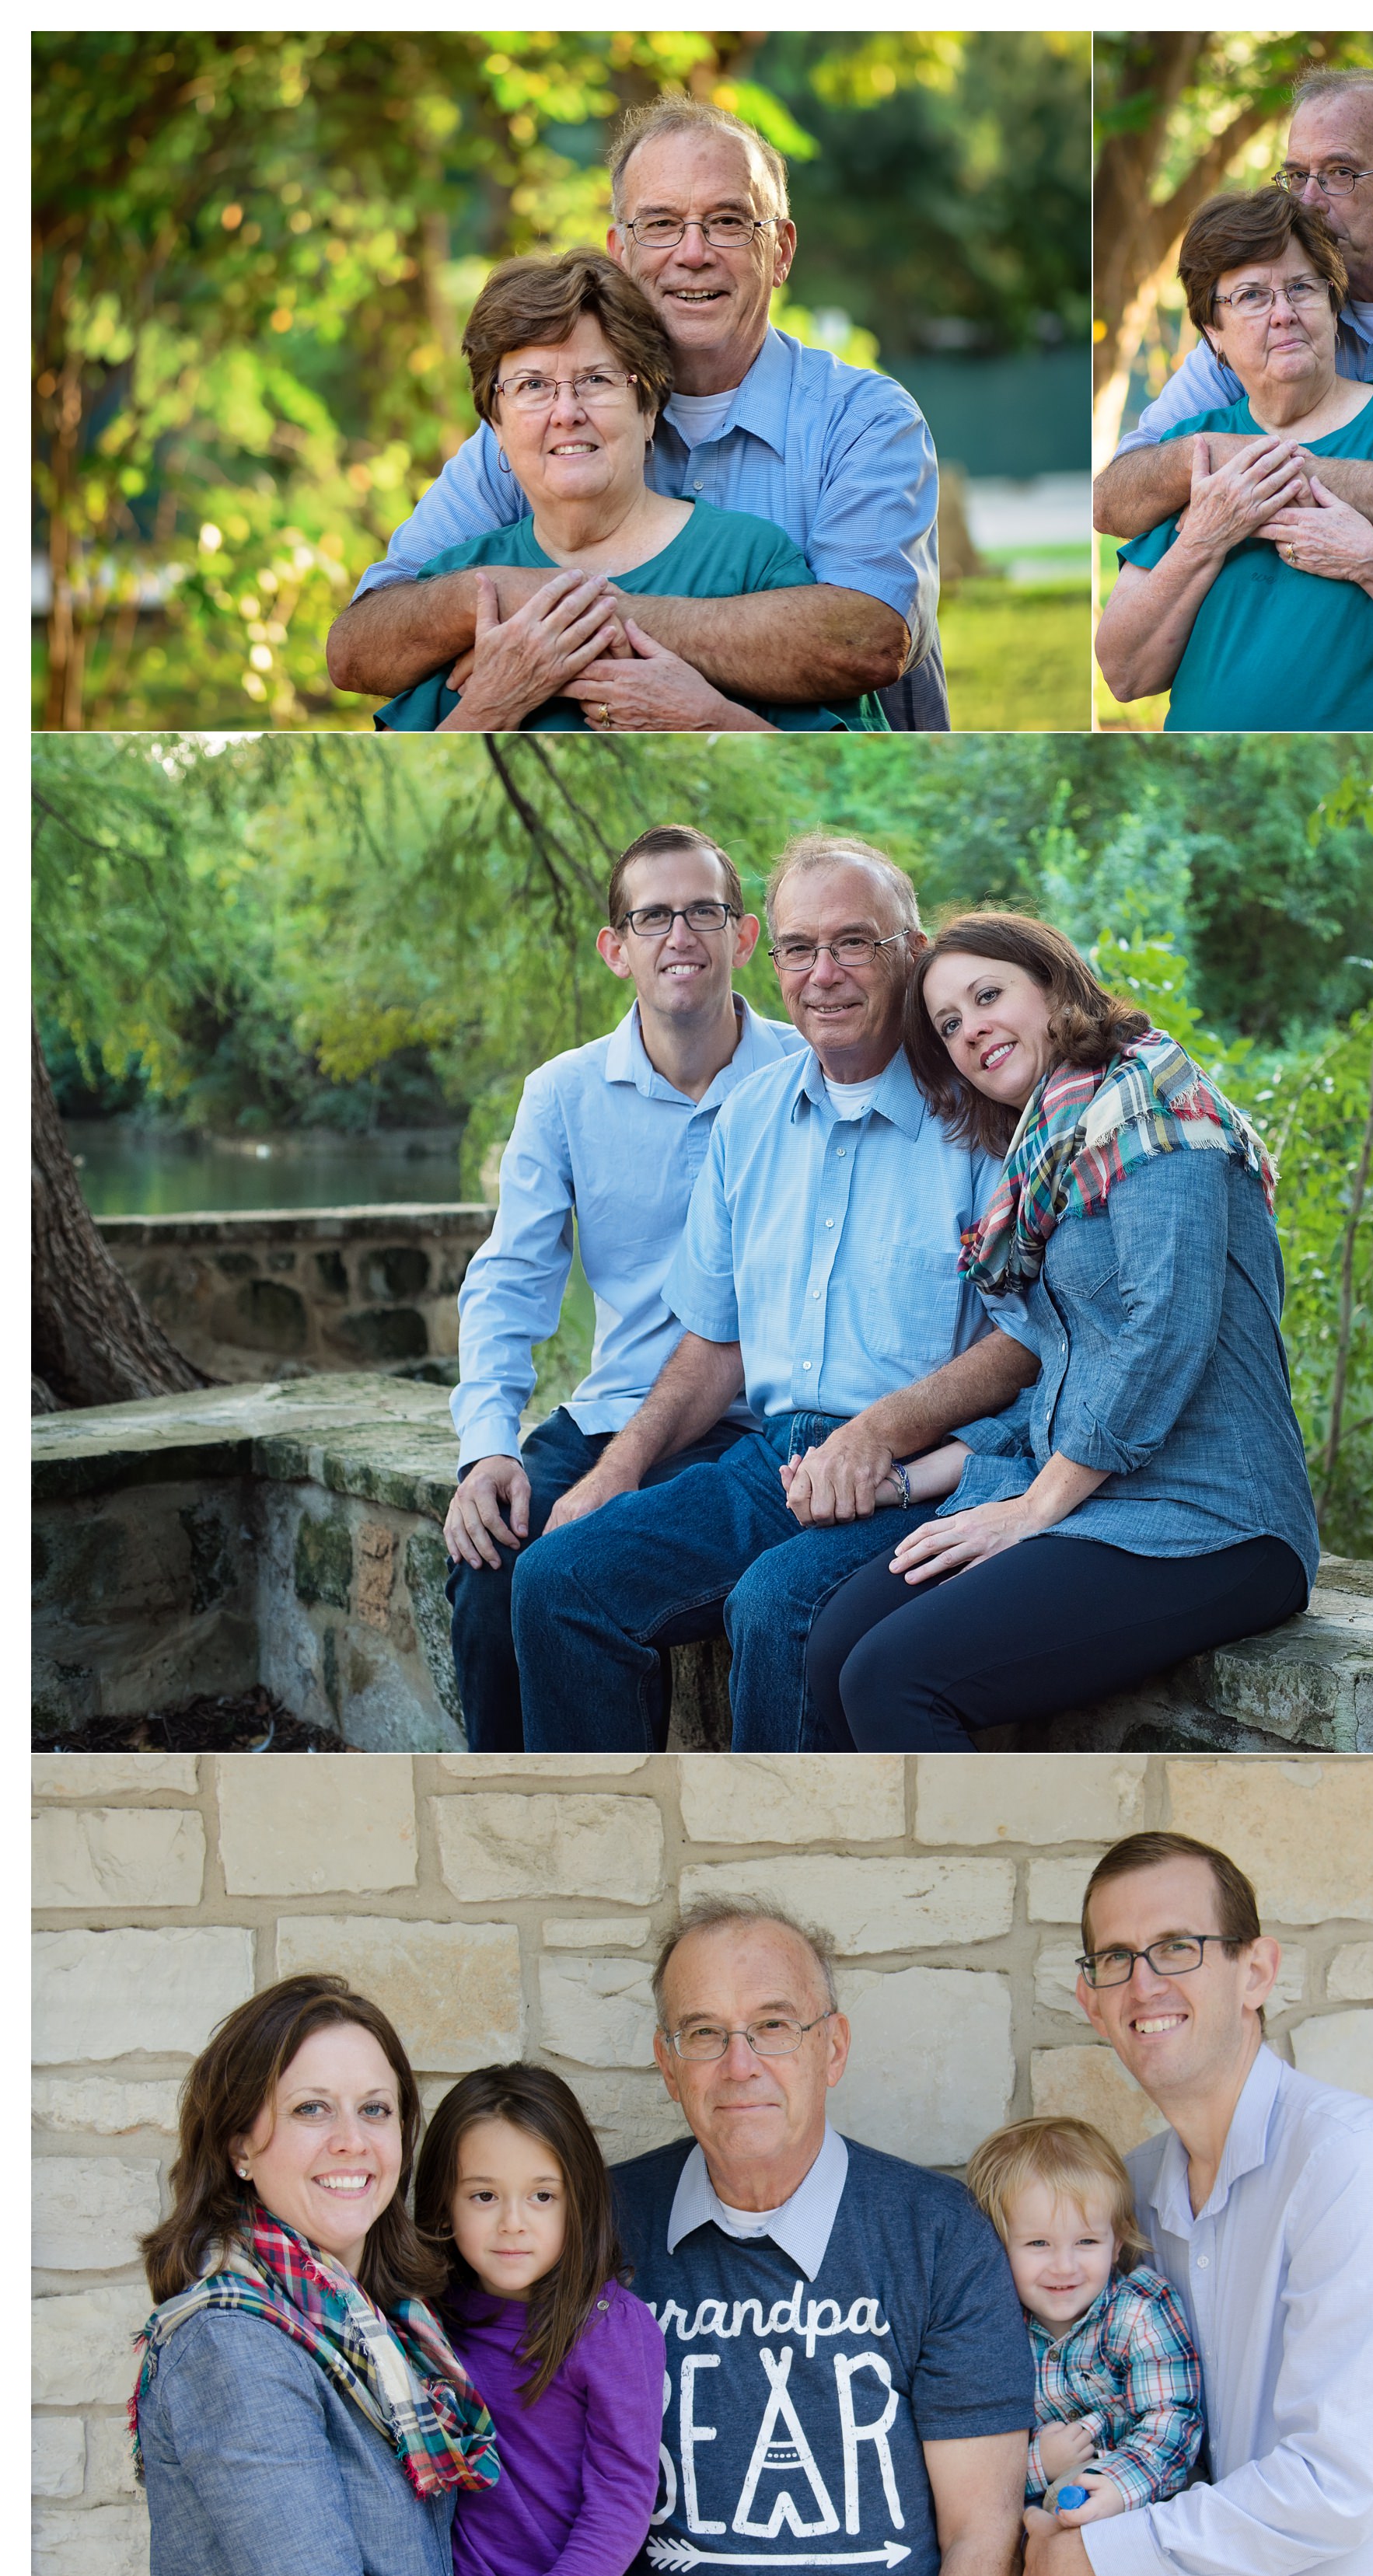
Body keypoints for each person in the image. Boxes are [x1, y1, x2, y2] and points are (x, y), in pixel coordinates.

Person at [507, 836, 1039, 1755]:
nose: (822, 974)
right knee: (559, 1576)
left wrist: (877, 1435)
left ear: (910, 953)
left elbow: (1027, 1340)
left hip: (920, 1474)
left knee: (775, 1606)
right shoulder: (750, 1116)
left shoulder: (982, 1118)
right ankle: (604, 1865)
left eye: (853, 944)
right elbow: (716, 1344)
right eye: (798, 948)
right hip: (772, 1464)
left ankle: (772, 1876)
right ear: (773, 957)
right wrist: (617, 1469)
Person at [805, 912, 1316, 1750]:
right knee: (832, 1645)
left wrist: (1028, 1510)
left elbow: (1164, 1338)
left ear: (1052, 985)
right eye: (948, 1024)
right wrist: (917, 1476)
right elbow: (1060, 1369)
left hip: (1215, 1518)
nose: (970, 1031)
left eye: (986, 996)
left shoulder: (1155, 1113)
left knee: (890, 1676)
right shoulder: (1054, 1147)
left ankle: (981, 1883)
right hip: (1103, 1500)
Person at [1018, 1831, 1373, 2576]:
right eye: (1114, 1960)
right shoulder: (1124, 2199)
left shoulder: (1352, 2164)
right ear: (1089, 2001)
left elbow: (1334, 2481)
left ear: (1254, 1970)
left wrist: (1094, 2560)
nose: (1144, 1984)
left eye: (1178, 1947)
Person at [328, 100, 945, 729]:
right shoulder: (536, 432)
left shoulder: (864, 421)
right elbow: (360, 648)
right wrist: (485, 599)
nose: (693, 252)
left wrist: (562, 613)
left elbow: (865, 640)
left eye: (729, 221)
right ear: (619, 250)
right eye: (660, 224)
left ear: (782, 251)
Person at [131, 1974, 600, 2576]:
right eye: (311, 2108)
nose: (351, 2140)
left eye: (374, 2110)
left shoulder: (392, 2338)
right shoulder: (235, 2347)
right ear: (240, 2143)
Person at [606, 1906, 1034, 2576]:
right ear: (665, 2063)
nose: (739, 2065)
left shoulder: (933, 2235)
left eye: (772, 2026)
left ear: (831, 2048)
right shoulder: (602, 2227)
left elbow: (982, 2534)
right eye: (703, 2033)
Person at [444, 821, 801, 1751]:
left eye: (703, 911)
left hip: (755, 1427)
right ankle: (519, 1838)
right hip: (609, 1410)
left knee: (582, 1580)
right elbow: (510, 1280)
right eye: (652, 917)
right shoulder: (562, 1094)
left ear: (744, 937)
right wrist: (486, 1446)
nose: (679, 935)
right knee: (488, 1571)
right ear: (617, 950)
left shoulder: (806, 1079)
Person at [1093, 61, 1373, 730]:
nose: (1308, 200)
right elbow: (1117, 497)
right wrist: (1209, 464)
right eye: (1295, 175)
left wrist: (1275, 469)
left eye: (1340, 173)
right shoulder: (1251, 339)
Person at [372, 256, 888, 739]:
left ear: (648, 411)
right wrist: (490, 707)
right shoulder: (460, 582)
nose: (565, 411)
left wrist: (712, 722)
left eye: (596, 379)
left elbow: (848, 779)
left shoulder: (752, 561)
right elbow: (396, 800)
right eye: (532, 386)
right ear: (495, 425)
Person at [965, 2112, 1277, 2576]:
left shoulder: (1138, 2307)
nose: (1064, 2266)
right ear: (997, 2246)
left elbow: (1174, 2418)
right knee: (1057, 2519)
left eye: (1086, 2242)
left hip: (1160, 2487)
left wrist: (1114, 2484)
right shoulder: (992, 2337)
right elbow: (974, 2466)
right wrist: (1037, 2462)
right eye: (1037, 2245)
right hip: (1069, 2512)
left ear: (1118, 2238)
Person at [412, 2064, 666, 2576]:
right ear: (443, 2203)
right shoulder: (423, 2316)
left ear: (578, 2201)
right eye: (484, 2195)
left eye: (542, 2195)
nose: (513, 2222)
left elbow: (620, 2502)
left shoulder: (611, 2328)